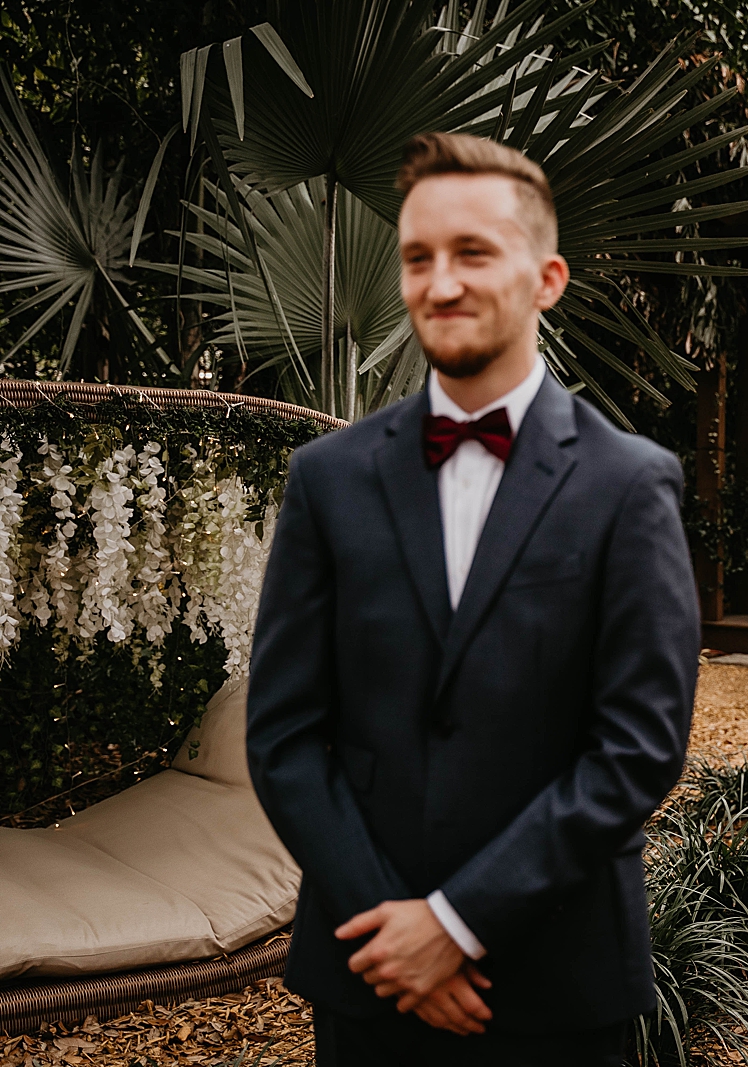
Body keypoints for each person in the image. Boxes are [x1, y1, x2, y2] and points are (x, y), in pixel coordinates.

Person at [246, 131, 700, 1066]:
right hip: (366, 976)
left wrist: (456, 923)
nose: (439, 282)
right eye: (418, 257)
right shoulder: (327, 479)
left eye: (473, 253)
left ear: (547, 277)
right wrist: (394, 933)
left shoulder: (629, 484)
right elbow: (285, 733)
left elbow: (639, 745)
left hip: (557, 982)